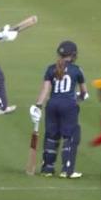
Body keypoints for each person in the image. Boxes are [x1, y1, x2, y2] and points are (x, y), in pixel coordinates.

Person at [29, 41, 89, 178]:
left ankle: (47, 169)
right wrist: (80, 97)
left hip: (52, 105)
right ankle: (67, 170)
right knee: (71, 136)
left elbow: (45, 89)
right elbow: (84, 92)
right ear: (73, 55)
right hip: (68, 106)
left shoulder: (51, 69)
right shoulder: (77, 70)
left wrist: (38, 105)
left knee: (51, 136)